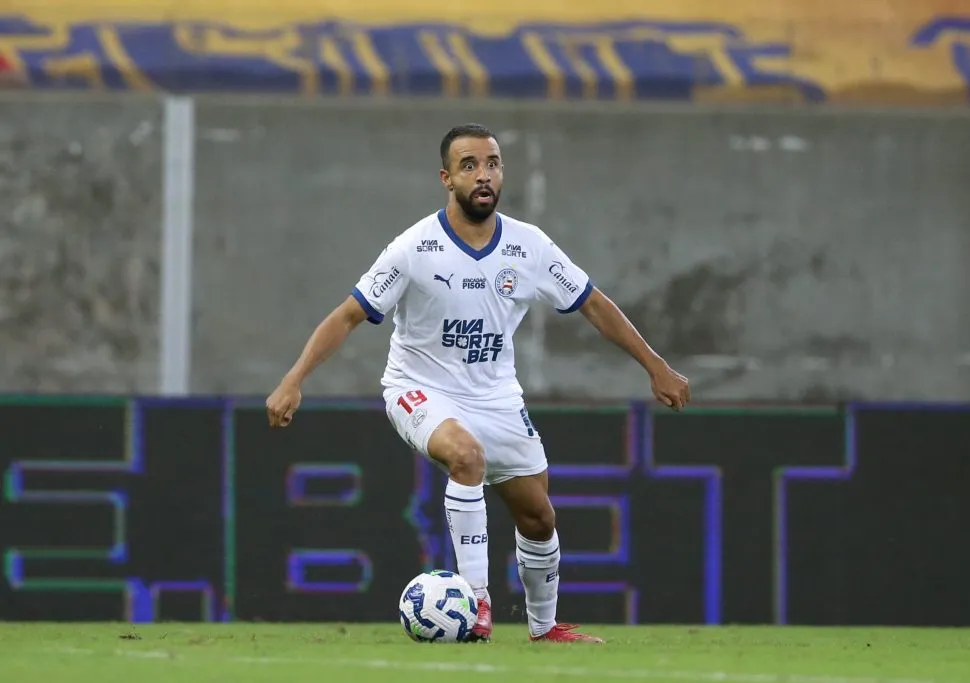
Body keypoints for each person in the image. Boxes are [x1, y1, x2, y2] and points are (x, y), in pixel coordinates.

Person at [266, 123, 691, 643]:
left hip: (495, 396)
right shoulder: (413, 249)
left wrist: (655, 365)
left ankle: (543, 628)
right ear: (446, 178)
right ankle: (477, 601)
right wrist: (293, 380)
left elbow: (594, 304)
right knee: (465, 457)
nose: (483, 175)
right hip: (417, 388)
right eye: (469, 165)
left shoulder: (528, 247)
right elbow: (348, 316)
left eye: (492, 163)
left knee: (538, 518)